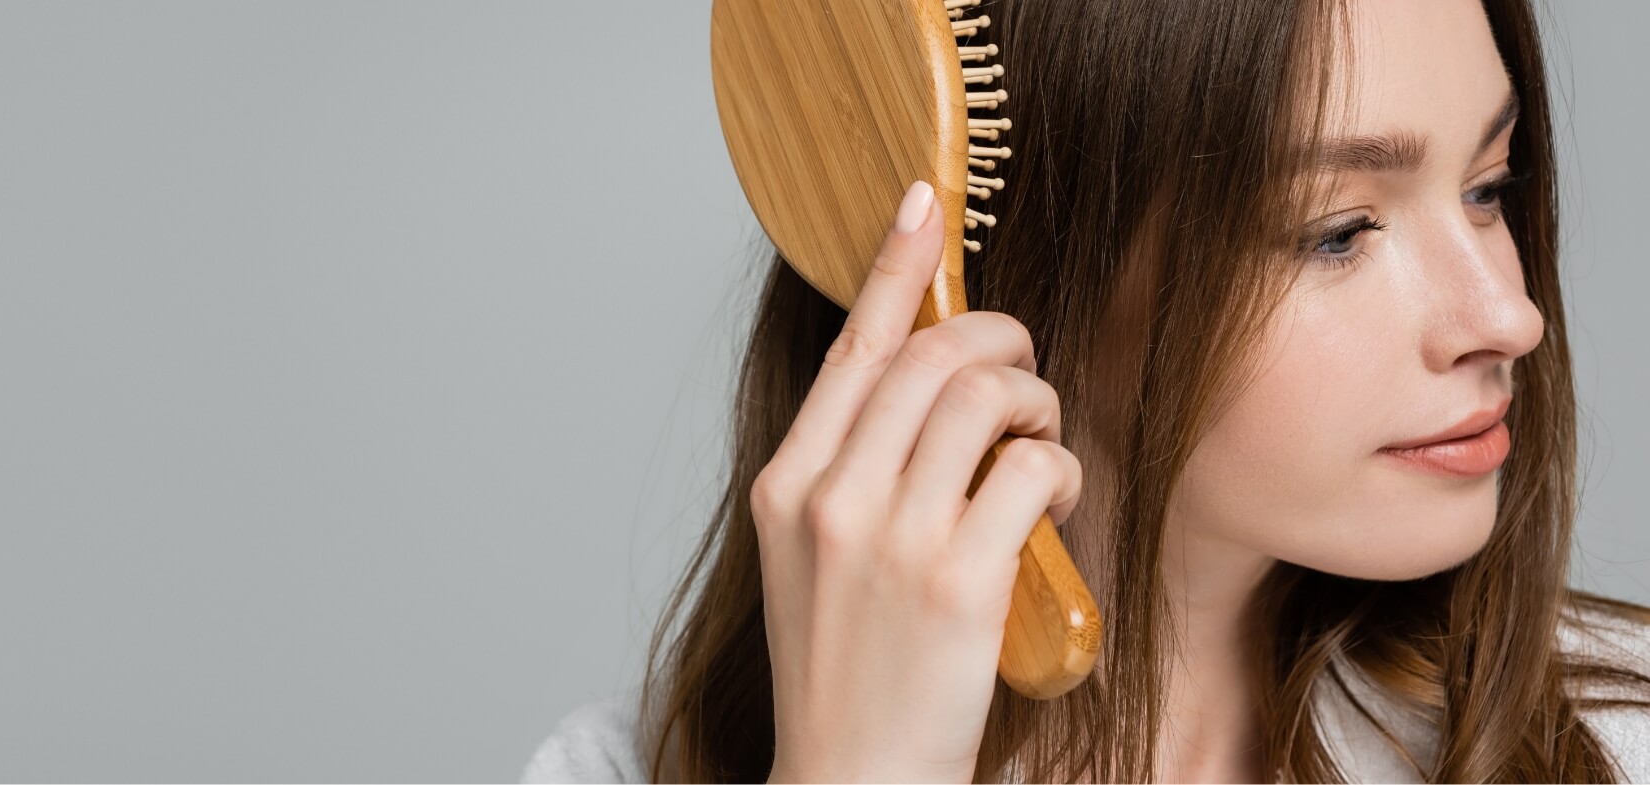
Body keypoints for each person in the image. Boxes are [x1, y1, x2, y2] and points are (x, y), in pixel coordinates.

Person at [523, 0, 1650, 781]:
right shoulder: (617, 771)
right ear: (1025, 272)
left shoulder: (1618, 736)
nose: (1510, 315)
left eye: (1492, 186)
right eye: (1340, 230)